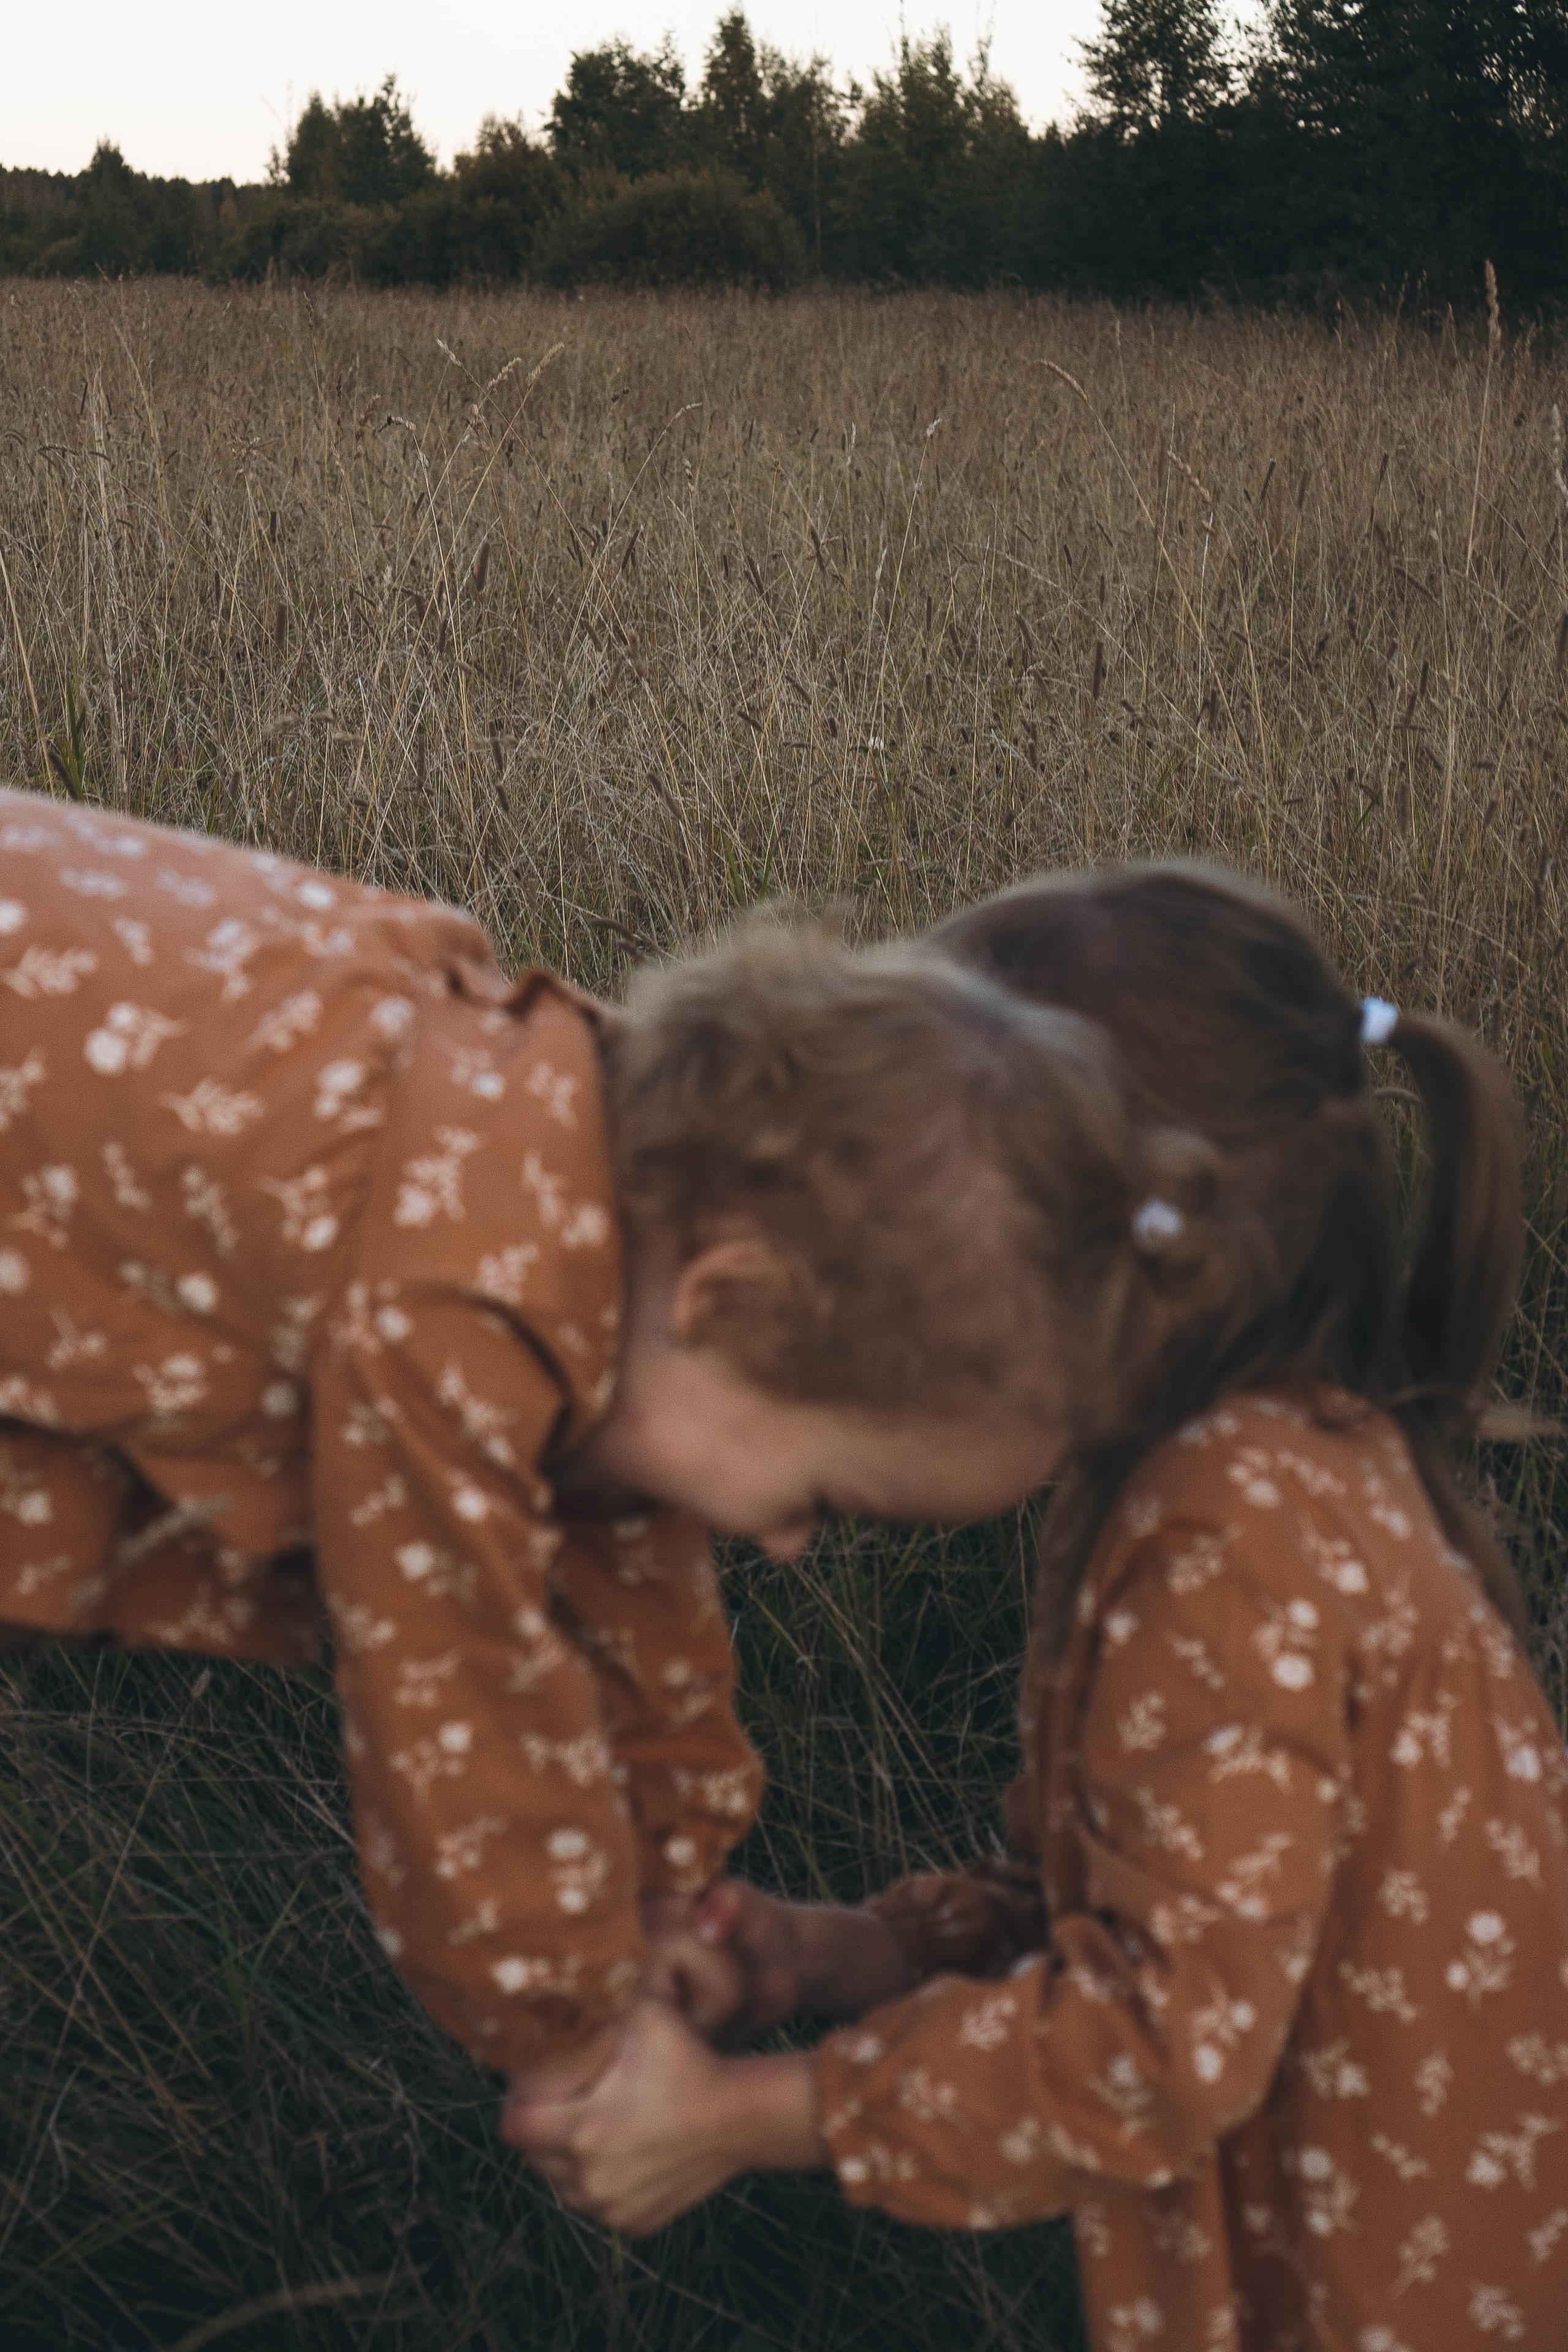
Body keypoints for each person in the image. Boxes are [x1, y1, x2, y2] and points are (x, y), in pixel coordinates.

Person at [507, 867, 1568, 2352]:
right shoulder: (1272, 1464)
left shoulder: (1227, 1534)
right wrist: (862, 1956)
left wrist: (753, 2116)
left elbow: (1163, 2039)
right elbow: (1194, 1917)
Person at [0, 787, 1132, 2104]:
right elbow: (448, 1682)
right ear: (730, 1297)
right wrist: (570, 2023)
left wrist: (665, 1888)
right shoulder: (458, 1286)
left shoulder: (589, 1179)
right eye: (823, 1497)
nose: (779, 1540)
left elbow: (624, 1562)